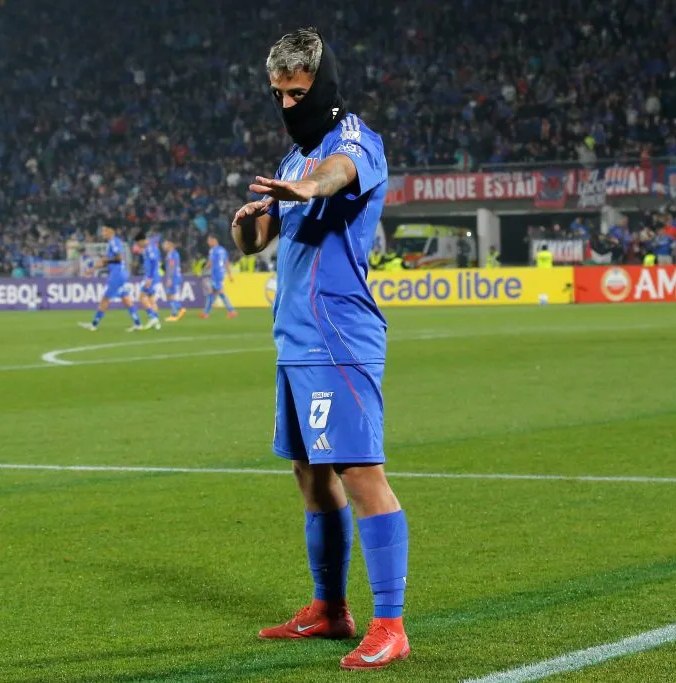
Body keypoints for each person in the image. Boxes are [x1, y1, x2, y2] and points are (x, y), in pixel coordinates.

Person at [231, 27, 409, 671]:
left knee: (362, 475)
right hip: (295, 341)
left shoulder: (354, 141)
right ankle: (330, 609)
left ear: (323, 87)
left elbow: (338, 175)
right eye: (277, 94)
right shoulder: (289, 161)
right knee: (310, 477)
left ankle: (390, 623)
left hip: (341, 337)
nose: (285, 106)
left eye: (297, 93)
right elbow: (260, 246)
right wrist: (248, 229)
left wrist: (311, 186)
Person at [79, 226, 143, 332]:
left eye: (104, 231)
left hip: (117, 275)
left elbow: (119, 258)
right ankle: (138, 323)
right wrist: (92, 268)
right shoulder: (111, 243)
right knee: (126, 299)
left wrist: (107, 259)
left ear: (110, 231)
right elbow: (105, 261)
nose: (102, 233)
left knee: (105, 299)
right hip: (119, 274)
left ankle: (94, 324)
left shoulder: (114, 242)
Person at [200, 234, 238, 319]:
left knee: (219, 293)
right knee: (212, 293)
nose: (208, 243)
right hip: (221, 273)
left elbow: (210, 263)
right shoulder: (223, 250)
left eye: (209, 241)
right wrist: (229, 274)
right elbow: (227, 263)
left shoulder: (213, 250)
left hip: (215, 274)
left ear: (214, 240)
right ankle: (206, 313)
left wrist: (202, 271)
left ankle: (231, 311)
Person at [135, 232, 163, 330]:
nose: (138, 245)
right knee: (151, 299)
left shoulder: (150, 248)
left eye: (139, 243)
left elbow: (154, 262)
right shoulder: (150, 247)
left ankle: (153, 317)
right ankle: (157, 323)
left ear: (142, 241)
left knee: (142, 297)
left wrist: (150, 278)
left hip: (151, 277)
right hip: (154, 276)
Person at [162, 239, 185, 321]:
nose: (163, 246)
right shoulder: (172, 254)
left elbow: (172, 267)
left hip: (173, 277)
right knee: (169, 295)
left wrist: (170, 279)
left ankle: (178, 310)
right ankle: (174, 313)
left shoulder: (172, 254)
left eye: (165, 244)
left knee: (170, 295)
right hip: (174, 277)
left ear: (170, 244)